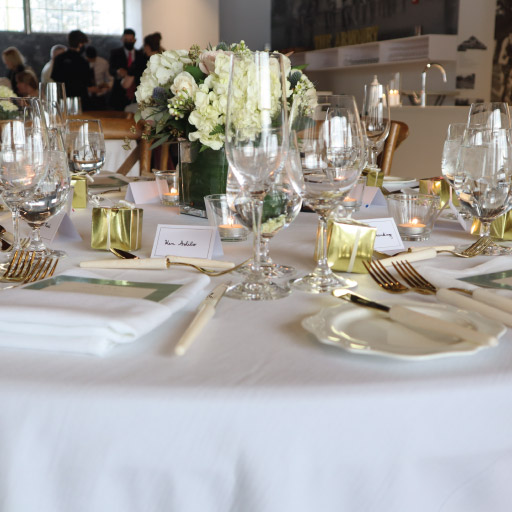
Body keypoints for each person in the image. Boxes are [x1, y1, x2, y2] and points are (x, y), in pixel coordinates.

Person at [51, 30, 98, 111]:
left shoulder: (59, 58)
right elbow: (88, 84)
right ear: (80, 44)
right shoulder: (82, 61)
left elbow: (55, 77)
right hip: (80, 102)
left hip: (63, 100)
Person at [108, 28, 146, 111]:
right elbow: (111, 70)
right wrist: (118, 71)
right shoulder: (115, 53)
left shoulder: (141, 55)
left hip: (136, 92)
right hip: (119, 92)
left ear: (135, 40)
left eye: (130, 40)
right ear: (122, 39)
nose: (128, 42)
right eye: (126, 39)